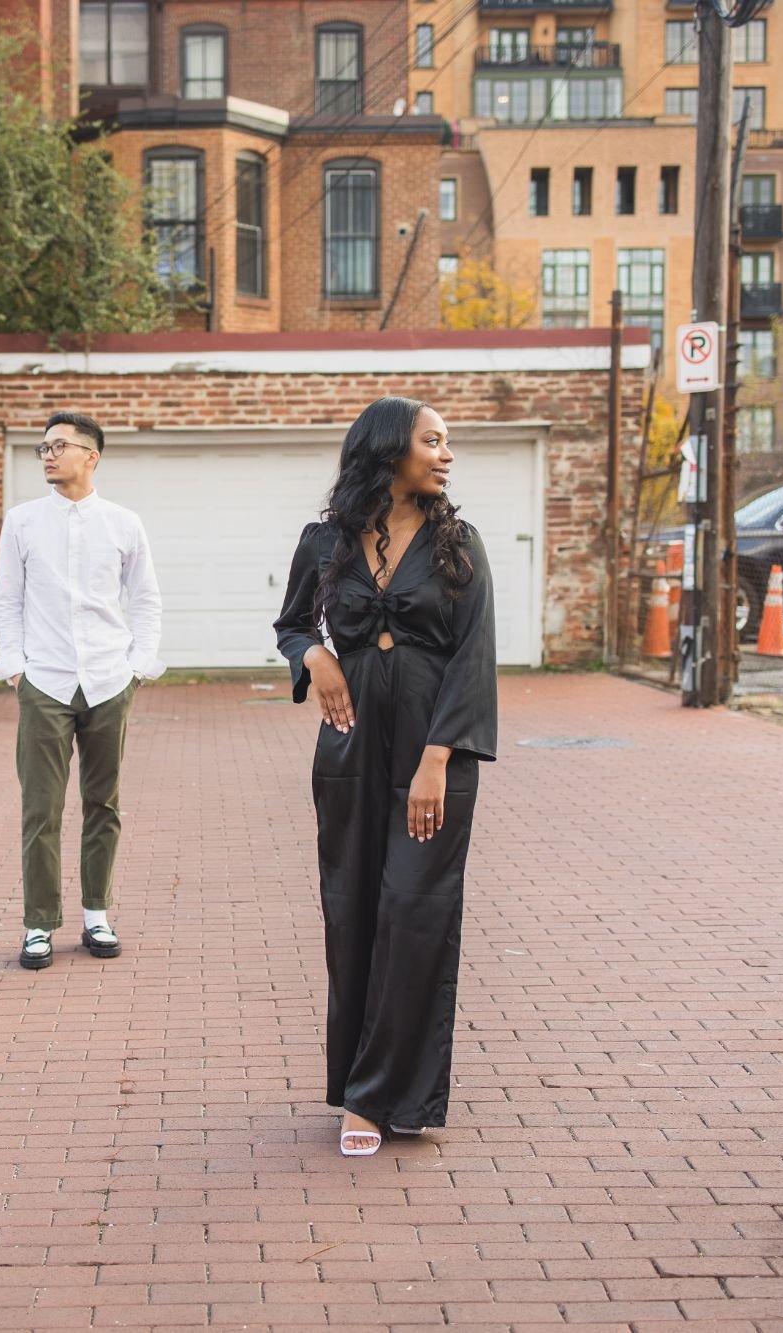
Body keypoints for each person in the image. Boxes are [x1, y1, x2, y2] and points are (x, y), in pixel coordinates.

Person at [272, 396, 498, 1157]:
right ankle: (361, 1090)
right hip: (350, 746)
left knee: (415, 911)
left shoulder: (459, 543)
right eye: (433, 440)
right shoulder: (324, 540)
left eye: (447, 442)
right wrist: (316, 656)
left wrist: (438, 759)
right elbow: (292, 624)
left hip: (434, 748)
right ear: (389, 449)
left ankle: (386, 1096)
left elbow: (474, 655)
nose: (446, 454)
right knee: (353, 910)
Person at [0, 410, 164, 970]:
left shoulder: (123, 524)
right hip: (44, 682)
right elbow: (6, 599)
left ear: (91, 456)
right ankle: (39, 923)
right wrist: (16, 668)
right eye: (43, 447)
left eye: (58, 446)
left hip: (109, 680)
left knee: (103, 803)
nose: (47, 455)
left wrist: (137, 666)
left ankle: (97, 915)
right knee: (40, 807)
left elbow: (145, 599)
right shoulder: (22, 522)